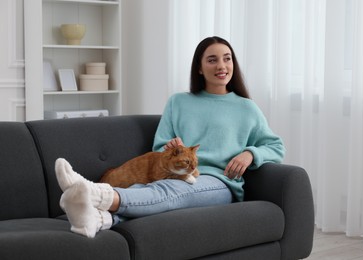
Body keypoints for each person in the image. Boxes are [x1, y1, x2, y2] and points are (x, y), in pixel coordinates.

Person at [55, 36, 286, 238]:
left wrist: (250, 153)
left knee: (170, 193)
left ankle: (93, 192)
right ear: (199, 67)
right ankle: (98, 219)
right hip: (176, 174)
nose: (222, 65)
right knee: (152, 191)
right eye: (212, 60)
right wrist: (172, 146)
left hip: (218, 182)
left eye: (227, 58)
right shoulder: (178, 102)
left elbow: (275, 146)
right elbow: (160, 145)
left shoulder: (247, 108)